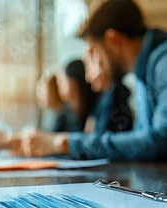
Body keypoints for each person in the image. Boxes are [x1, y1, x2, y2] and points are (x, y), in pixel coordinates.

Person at [19, 0, 167, 161]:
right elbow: (140, 140)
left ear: (113, 40)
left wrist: (65, 144)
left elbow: (161, 142)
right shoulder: (143, 72)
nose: (93, 60)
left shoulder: (163, 63)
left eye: (94, 49)